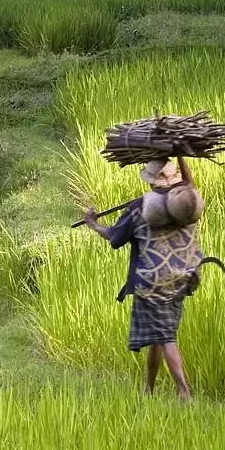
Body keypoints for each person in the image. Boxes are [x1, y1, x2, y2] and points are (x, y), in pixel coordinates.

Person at [80, 157, 206, 399]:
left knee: (165, 336)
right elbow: (191, 182)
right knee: (158, 335)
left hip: (153, 281)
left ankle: (184, 393)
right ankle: (147, 389)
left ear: (151, 183)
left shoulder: (141, 208)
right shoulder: (187, 201)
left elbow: (115, 236)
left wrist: (93, 224)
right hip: (184, 277)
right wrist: (180, 154)